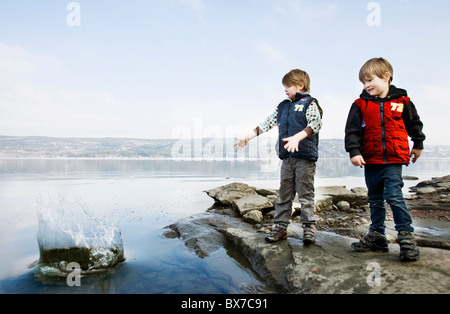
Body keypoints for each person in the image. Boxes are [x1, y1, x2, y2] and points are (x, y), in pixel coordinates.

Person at [344, 57, 426, 262]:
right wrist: (354, 152)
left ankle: (406, 236)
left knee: (394, 195)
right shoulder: (360, 104)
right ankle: (377, 236)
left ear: (386, 77)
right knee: (374, 198)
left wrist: (418, 144)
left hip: (393, 159)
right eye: (363, 82)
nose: (366, 85)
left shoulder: (403, 102)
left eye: (370, 80)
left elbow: (414, 124)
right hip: (370, 160)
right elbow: (352, 132)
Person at [235, 69, 323, 244]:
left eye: (288, 86)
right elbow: (267, 123)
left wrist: (298, 137)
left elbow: (316, 123)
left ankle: (309, 228)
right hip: (287, 159)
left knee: (306, 194)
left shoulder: (310, 103)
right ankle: (280, 228)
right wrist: (247, 137)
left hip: (304, 158)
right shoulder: (283, 106)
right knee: (284, 194)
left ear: (300, 85)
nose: (285, 90)